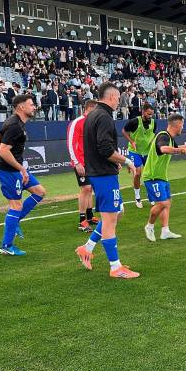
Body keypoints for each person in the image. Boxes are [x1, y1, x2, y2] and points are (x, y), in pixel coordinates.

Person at [74, 82, 140, 278]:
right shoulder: (103, 117)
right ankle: (115, 267)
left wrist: (114, 162)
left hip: (100, 172)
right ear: (111, 97)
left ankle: (87, 248)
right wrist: (127, 160)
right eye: (118, 98)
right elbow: (105, 149)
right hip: (103, 175)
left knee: (118, 211)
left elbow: (98, 148)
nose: (119, 101)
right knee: (110, 219)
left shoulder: (93, 115)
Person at [0, 95, 47, 256]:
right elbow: (3, 150)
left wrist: (20, 168)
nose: (34, 107)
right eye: (31, 104)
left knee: (40, 192)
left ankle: (15, 220)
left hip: (15, 169)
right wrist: (21, 169)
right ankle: (6, 246)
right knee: (16, 206)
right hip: (8, 171)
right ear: (21, 107)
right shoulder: (15, 126)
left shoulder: (15, 123)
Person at [142, 113, 186, 242]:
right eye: (182, 125)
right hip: (152, 176)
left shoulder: (168, 137)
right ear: (178, 124)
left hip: (161, 176)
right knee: (162, 203)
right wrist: (183, 151)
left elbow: (175, 148)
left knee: (167, 202)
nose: (183, 128)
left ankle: (165, 231)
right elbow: (164, 149)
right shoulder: (163, 136)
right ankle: (149, 226)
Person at [67, 100, 99, 232]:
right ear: (90, 108)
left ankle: (90, 216)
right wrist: (76, 162)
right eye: (96, 109)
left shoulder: (93, 122)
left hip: (91, 162)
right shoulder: (77, 122)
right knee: (85, 188)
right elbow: (71, 142)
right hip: (80, 162)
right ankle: (82, 220)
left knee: (90, 188)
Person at [121, 102, 156, 208]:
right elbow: (124, 131)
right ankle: (137, 197)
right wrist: (131, 141)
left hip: (147, 151)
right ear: (143, 112)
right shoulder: (135, 121)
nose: (150, 116)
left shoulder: (154, 122)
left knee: (150, 175)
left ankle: (151, 196)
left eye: (151, 114)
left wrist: (153, 143)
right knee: (137, 173)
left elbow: (153, 135)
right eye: (148, 114)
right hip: (135, 151)